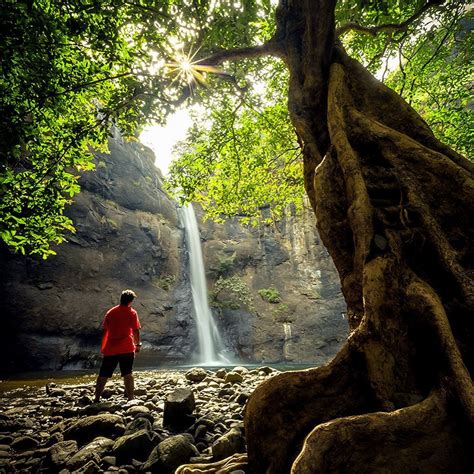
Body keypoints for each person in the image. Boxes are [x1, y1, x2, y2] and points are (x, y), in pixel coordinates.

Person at [94, 289, 141, 402]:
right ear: (130, 301)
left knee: (104, 373)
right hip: (127, 348)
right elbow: (136, 331)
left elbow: (105, 332)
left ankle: (96, 397)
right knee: (127, 373)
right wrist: (137, 344)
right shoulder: (132, 312)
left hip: (111, 348)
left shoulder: (110, 312)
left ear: (121, 299)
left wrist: (103, 346)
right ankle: (130, 398)